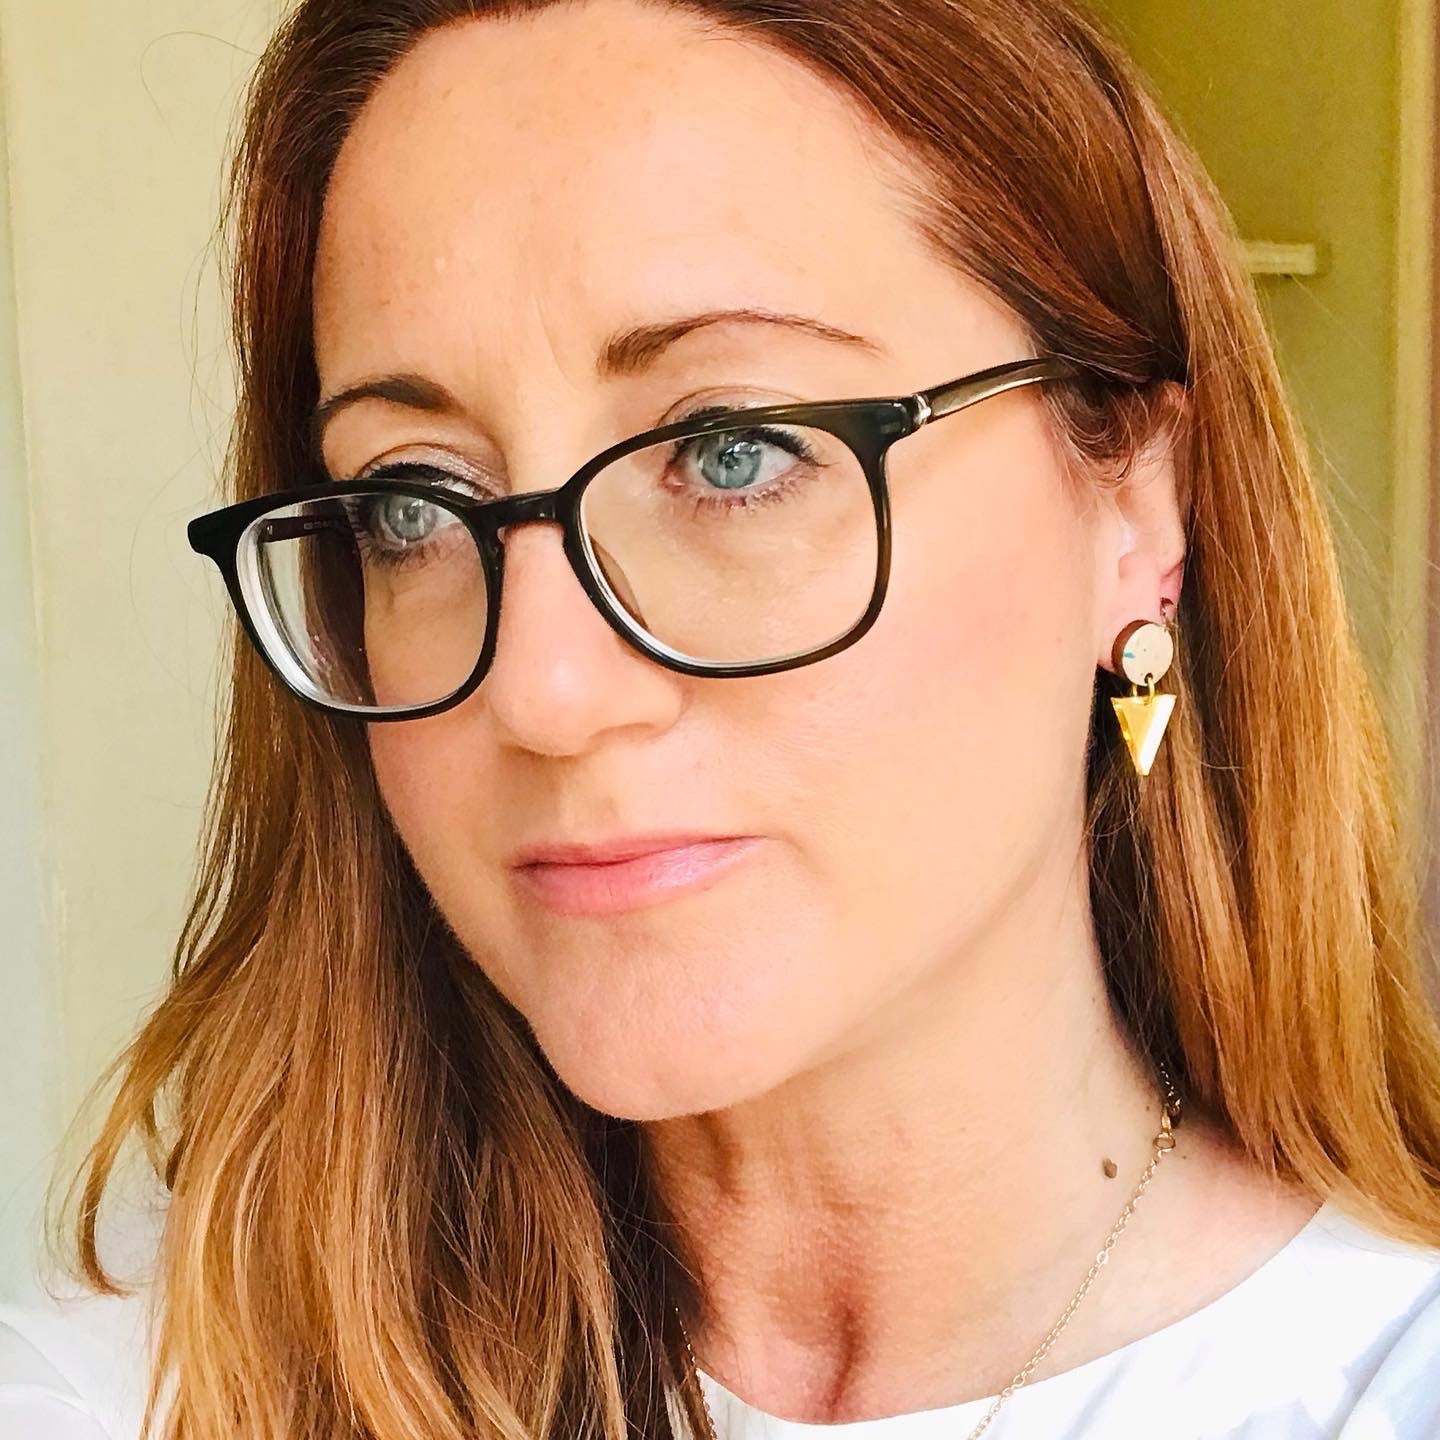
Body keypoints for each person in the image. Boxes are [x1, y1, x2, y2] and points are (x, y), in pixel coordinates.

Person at [5, 0, 1440, 1436]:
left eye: (731, 449)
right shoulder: (149, 1390)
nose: (545, 694)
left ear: (1135, 501)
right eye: (411, 502)